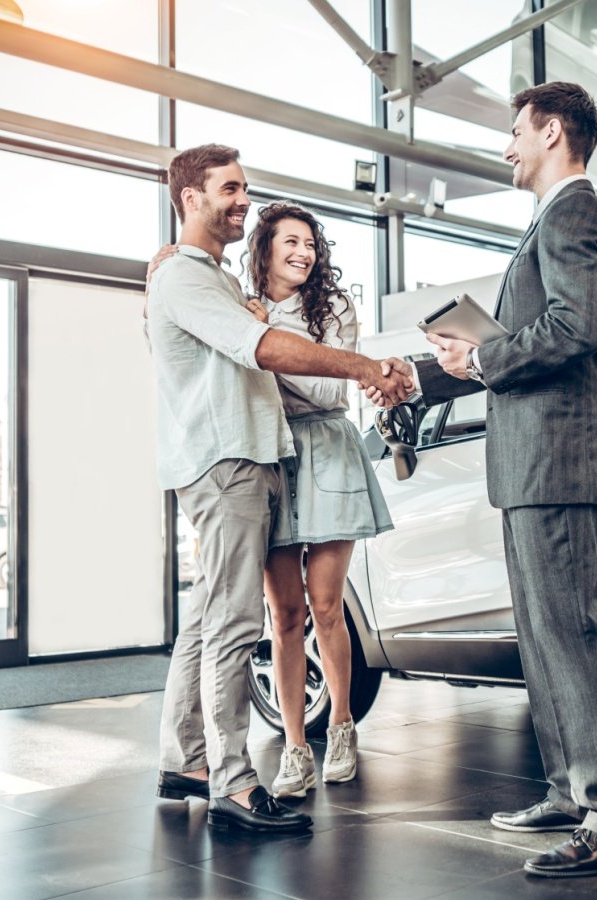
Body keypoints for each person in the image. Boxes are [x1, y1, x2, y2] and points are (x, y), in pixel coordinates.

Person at [365, 82, 597, 877]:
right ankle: (570, 790)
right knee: (543, 637)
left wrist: (483, 356)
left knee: (569, 634)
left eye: (516, 132)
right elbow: (521, 341)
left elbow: (572, 330)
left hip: (557, 459)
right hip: (531, 463)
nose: (507, 147)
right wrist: (429, 373)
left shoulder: (575, 215)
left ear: (553, 131)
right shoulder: (552, 222)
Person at [147, 144, 411, 833]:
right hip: (229, 463)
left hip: (246, 460)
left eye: (244, 190)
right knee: (238, 623)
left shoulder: (203, 276)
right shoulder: (188, 278)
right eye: (230, 189)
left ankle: (186, 761)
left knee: (208, 620)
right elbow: (260, 348)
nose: (242, 200)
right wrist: (362, 367)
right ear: (190, 199)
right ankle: (235, 784)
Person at [240, 202, 393, 798]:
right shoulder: (244, 307)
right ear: (266, 249)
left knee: (328, 607)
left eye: (309, 243)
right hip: (271, 454)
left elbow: (331, 386)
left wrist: (269, 343)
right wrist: (256, 336)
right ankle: (296, 748)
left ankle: (343, 725)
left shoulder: (334, 307)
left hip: (328, 448)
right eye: (290, 243)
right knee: (283, 616)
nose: (303, 252)